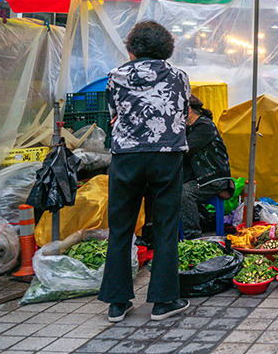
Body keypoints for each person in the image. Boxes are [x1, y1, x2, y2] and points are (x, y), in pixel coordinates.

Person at [99, 20, 191, 324]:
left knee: (121, 227)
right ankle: (163, 302)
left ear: (132, 47)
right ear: (166, 47)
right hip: (166, 157)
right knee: (165, 226)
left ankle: (117, 302)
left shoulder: (115, 77)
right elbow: (180, 112)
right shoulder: (179, 76)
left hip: (126, 157)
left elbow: (113, 116)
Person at [179, 95, 235, 240]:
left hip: (213, 177)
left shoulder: (205, 127)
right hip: (199, 178)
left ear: (188, 109)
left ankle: (193, 237)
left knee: (184, 193)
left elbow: (185, 149)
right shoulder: (190, 128)